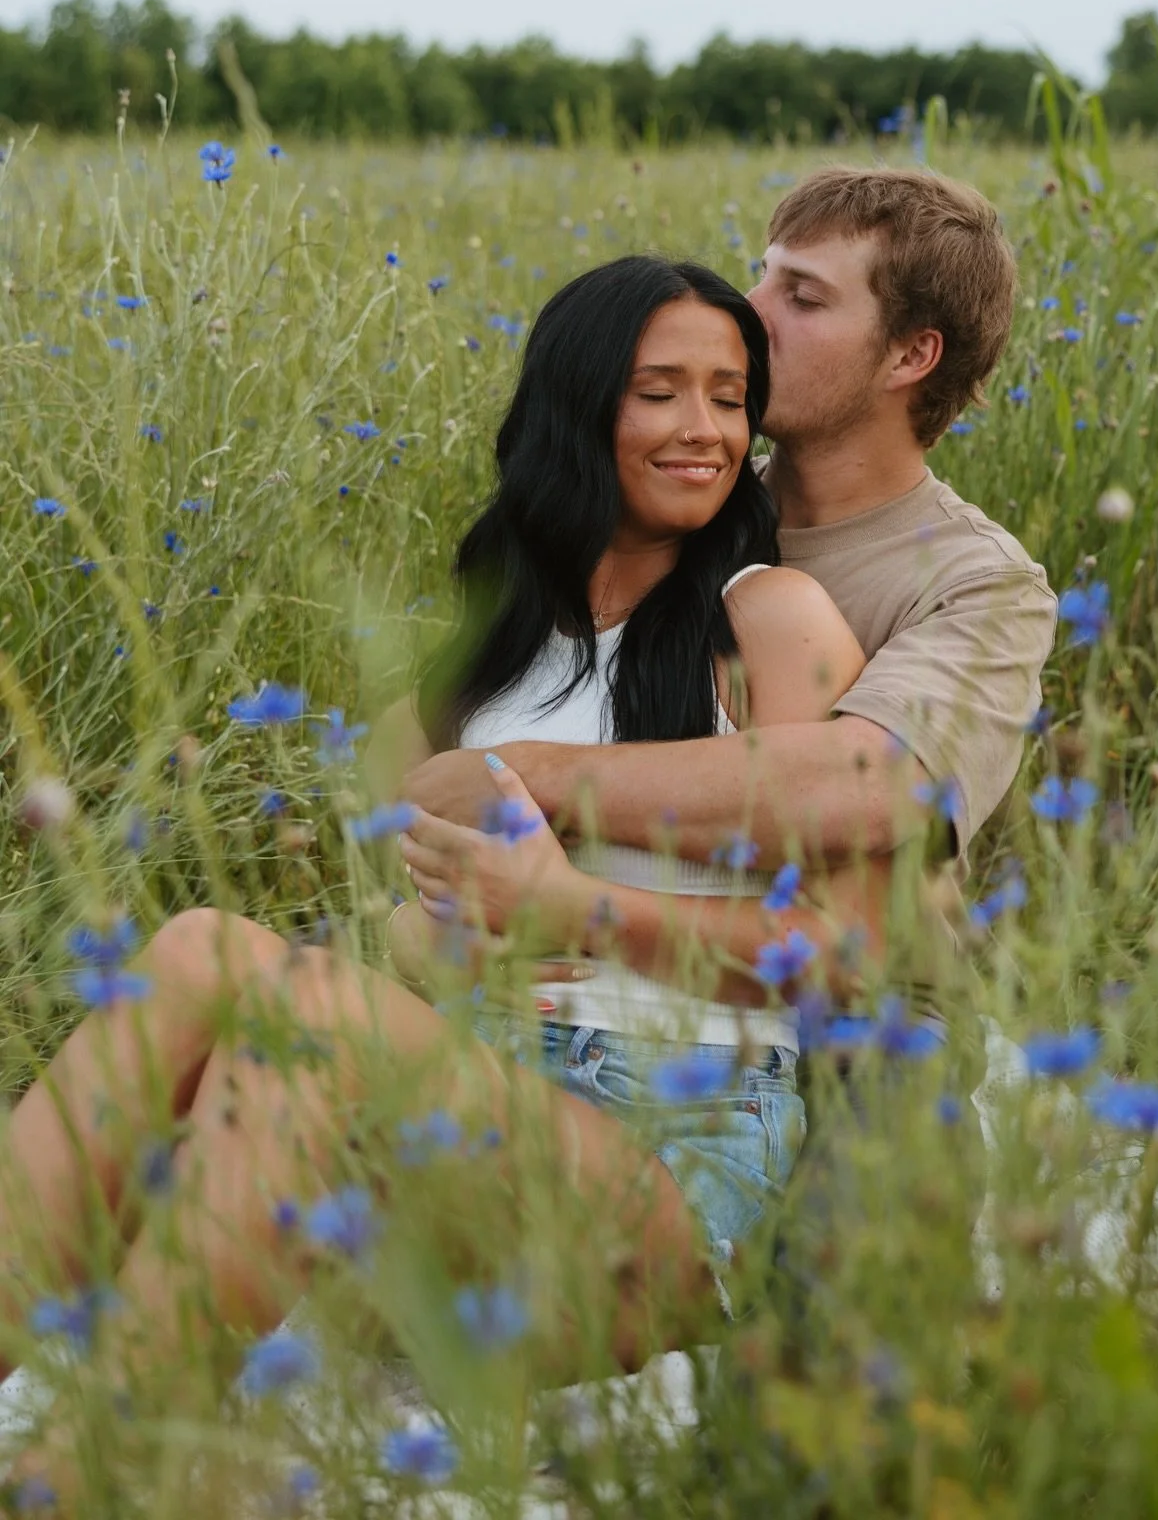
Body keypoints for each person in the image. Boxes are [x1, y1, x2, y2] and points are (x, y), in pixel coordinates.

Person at [0, 256, 869, 1505]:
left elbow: (846, 953)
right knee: (201, 945)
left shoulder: (770, 621)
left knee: (305, 1011)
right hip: (460, 1141)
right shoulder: (484, 652)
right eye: (660, 392)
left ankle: (77, 1477)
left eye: (730, 398)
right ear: (578, 410)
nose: (706, 431)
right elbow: (401, 937)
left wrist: (569, 915)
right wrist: (450, 935)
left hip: (668, 1171)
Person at [398, 167, 1056, 987]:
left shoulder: (979, 583)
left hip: (861, 1044)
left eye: (804, 297)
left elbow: (872, 787)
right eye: (764, 272)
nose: (751, 311)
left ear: (910, 355)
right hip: (606, 1001)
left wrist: (521, 775)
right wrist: (413, 923)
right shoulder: (677, 499)